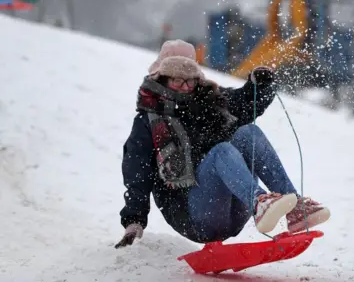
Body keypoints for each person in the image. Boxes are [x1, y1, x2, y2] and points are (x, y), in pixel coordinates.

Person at [115, 39, 330, 248]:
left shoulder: (209, 100)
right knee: (222, 151)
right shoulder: (148, 120)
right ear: (161, 78)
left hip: (234, 209)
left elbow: (244, 103)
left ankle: (295, 209)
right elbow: (137, 172)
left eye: (190, 80)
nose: (185, 86)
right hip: (195, 216)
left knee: (248, 132)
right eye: (177, 80)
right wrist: (134, 219)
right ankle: (259, 202)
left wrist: (259, 85)